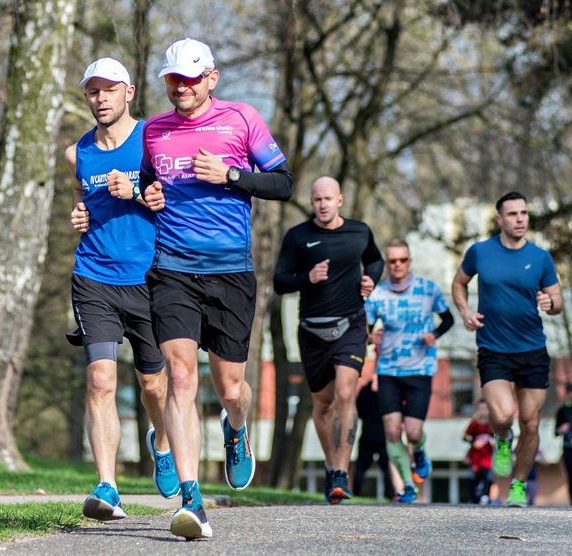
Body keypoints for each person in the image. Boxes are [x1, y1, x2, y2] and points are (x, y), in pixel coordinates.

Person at [139, 38, 293, 539]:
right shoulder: (154, 131)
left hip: (230, 272)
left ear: (211, 77)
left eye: (188, 78)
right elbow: (146, 184)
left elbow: (283, 183)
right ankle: (191, 501)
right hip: (172, 270)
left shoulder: (242, 120)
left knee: (230, 388)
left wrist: (231, 175)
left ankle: (236, 429)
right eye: (172, 79)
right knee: (180, 379)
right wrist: (148, 194)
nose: (179, 87)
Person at [66, 57, 178, 521]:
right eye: (93, 91)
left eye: (109, 90)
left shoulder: (154, 138)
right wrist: (80, 215)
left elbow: (176, 199)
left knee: (153, 383)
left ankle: (164, 445)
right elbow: (85, 200)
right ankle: (108, 486)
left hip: (150, 278)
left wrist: (135, 194)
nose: (101, 99)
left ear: (129, 91)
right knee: (100, 380)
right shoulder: (79, 153)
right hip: (94, 276)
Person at [274, 176, 384, 505]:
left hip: (351, 325)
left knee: (345, 393)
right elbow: (280, 282)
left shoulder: (360, 231)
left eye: (328, 199)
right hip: (312, 331)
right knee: (323, 404)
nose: (322, 204)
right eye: (317, 199)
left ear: (340, 200)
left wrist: (371, 279)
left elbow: (375, 260)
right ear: (312, 202)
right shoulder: (298, 237)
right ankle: (330, 464)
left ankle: (341, 472)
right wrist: (307, 278)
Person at [452, 191, 563, 508]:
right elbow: (459, 283)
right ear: (499, 219)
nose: (520, 219)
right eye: (513, 214)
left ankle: (517, 485)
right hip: (493, 349)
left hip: (532, 350)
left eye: (524, 213)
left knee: (530, 422)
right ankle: (502, 438)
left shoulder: (541, 258)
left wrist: (549, 302)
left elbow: (557, 301)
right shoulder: (480, 252)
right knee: (502, 415)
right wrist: (465, 312)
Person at [364, 239, 454, 503]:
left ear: (409, 261)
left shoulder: (428, 290)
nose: (397, 265)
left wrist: (434, 334)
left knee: (413, 432)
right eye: (392, 261)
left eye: (402, 260)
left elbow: (448, 319)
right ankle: (406, 485)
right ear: (387, 263)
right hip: (389, 370)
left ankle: (421, 450)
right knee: (392, 431)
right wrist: (372, 337)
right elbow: (366, 329)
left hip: (420, 369)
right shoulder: (378, 294)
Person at [352, 379, 395, 500]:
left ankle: (356, 493)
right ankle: (390, 495)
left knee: (360, 468)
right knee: (386, 469)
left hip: (367, 434)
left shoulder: (365, 391)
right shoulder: (388, 390)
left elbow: (358, 410)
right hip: (383, 435)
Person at [463, 400, 494, 504]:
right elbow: (465, 436)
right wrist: (473, 442)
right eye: (481, 409)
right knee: (474, 477)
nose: (483, 412)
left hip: (487, 457)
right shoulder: (475, 424)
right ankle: (474, 498)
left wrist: (490, 441)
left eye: (485, 409)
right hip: (475, 457)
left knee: (486, 476)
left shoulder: (491, 425)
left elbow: (497, 439)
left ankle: (485, 495)